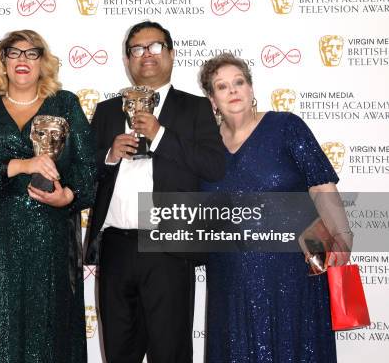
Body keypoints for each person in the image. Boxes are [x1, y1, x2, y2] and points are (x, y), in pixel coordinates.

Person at [0, 29, 96, 363]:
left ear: (43, 61)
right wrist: (19, 164)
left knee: (46, 327)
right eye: (14, 53)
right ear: (2, 61)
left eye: (32, 53)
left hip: (49, 235)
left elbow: (87, 168)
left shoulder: (66, 104)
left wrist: (68, 197)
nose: (22, 60)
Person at [85, 21, 225, 363]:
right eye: (137, 49)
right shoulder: (106, 111)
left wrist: (161, 134)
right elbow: (83, 174)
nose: (146, 55)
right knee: (119, 350)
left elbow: (214, 166)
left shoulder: (196, 108)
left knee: (171, 351)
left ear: (172, 53)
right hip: (115, 245)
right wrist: (109, 155)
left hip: (169, 243)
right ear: (127, 59)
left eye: (155, 47)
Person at [198, 53, 352, 363]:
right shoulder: (204, 146)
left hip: (292, 271)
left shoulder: (286, 126)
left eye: (239, 82)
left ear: (252, 89)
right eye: (222, 86)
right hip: (230, 277)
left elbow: (321, 186)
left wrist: (343, 236)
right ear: (212, 100)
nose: (233, 91)